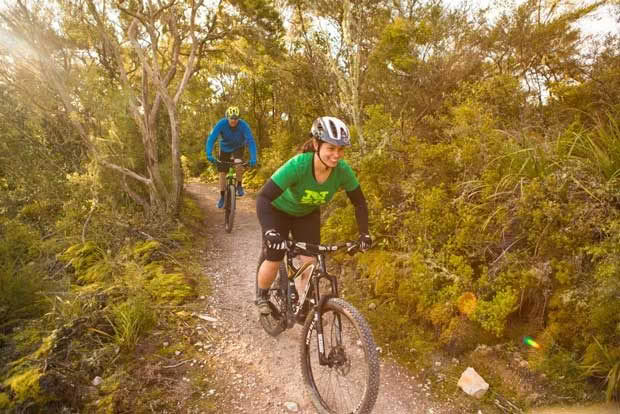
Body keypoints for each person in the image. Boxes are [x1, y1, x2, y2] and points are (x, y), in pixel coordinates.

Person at [255, 116, 372, 315]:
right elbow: (264, 197)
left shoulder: (342, 171)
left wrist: (364, 234)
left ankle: (304, 304)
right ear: (316, 144)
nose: (336, 155)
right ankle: (262, 296)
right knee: (274, 257)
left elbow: (359, 202)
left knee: (310, 261)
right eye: (331, 148)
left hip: (307, 214)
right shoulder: (298, 165)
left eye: (341, 149)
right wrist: (270, 231)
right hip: (279, 211)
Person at [205, 106, 258, 208]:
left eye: (236, 118)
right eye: (231, 118)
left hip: (238, 147)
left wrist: (253, 158)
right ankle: (222, 196)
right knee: (222, 173)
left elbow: (251, 141)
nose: (233, 120)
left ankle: (239, 185)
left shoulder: (244, 126)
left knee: (238, 163)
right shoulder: (221, 124)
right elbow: (211, 138)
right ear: (227, 117)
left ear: (239, 118)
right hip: (224, 148)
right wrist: (209, 154)